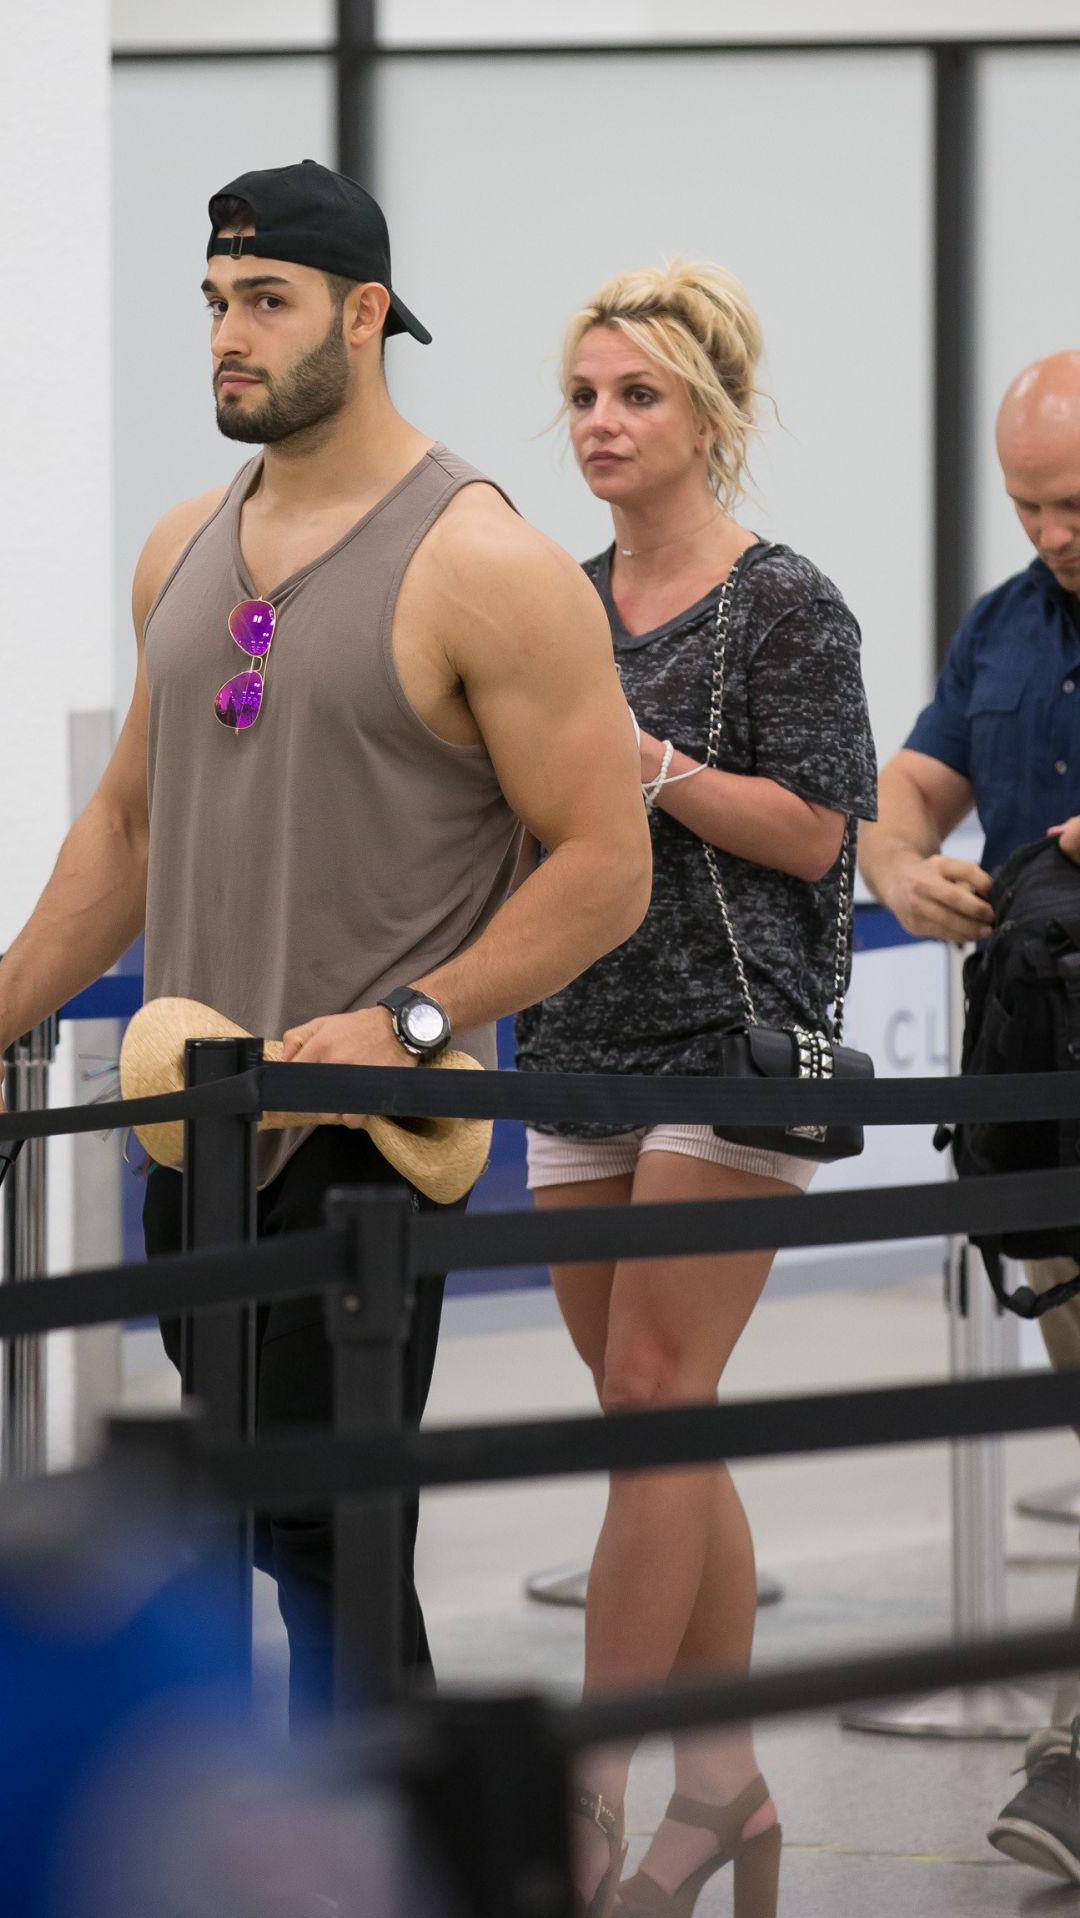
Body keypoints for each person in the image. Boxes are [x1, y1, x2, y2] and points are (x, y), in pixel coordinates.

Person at [0, 160, 651, 1719]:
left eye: (267, 302)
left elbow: (603, 866)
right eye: (216, 302)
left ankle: (380, 1867)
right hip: (194, 1129)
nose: (228, 335)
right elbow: (127, 831)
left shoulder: (481, 561)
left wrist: (413, 1023)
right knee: (239, 1518)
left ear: (363, 317)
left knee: (327, 1537)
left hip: (369, 1137)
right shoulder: (184, 545)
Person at [514, 261, 877, 1917]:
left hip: (733, 1037)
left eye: (636, 395)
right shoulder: (554, 601)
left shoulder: (784, 599)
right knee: (653, 1411)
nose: (602, 422)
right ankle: (724, 1782)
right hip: (579, 1031)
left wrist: (647, 763)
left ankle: (596, 1785)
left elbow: (819, 832)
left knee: (658, 1396)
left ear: (708, 414)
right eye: (586, 394)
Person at [860, 350, 1080, 1887]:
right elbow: (910, 793)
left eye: (1076, 502)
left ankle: (1073, 1744)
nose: (1055, 529)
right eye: (1030, 505)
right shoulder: (1003, 626)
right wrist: (894, 865)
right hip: (1045, 1083)